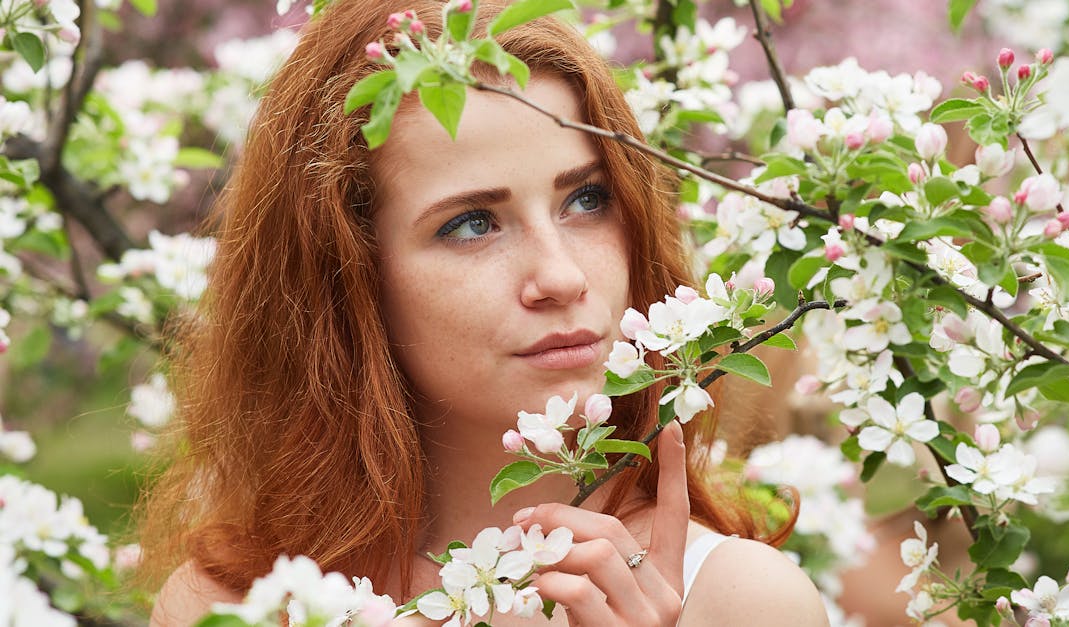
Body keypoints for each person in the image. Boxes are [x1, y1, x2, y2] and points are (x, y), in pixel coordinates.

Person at [140, 1, 829, 624]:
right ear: (347, 277)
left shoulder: (737, 602)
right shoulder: (234, 606)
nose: (559, 276)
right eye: (472, 223)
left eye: (587, 200)